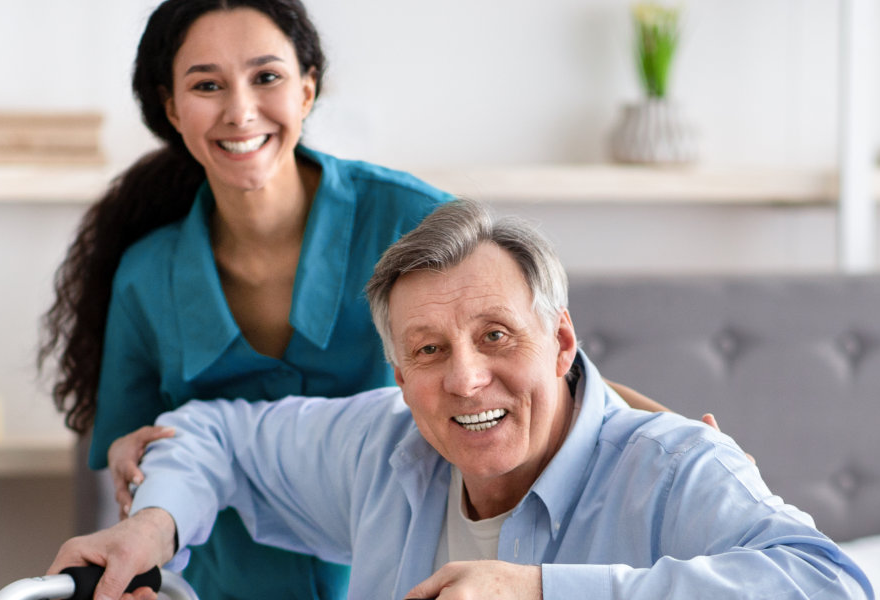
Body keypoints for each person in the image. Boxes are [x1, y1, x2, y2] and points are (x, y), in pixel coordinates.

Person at [39, 2, 678, 599]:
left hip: (405, 565)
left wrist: (670, 435)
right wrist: (133, 453)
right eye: (207, 86)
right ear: (172, 108)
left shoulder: (411, 219)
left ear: (307, 89)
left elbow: (532, 362)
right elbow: (139, 435)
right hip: (222, 575)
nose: (240, 111)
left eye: (266, 77)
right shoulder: (146, 275)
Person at [47, 199, 872, 600]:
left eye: (498, 337)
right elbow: (214, 436)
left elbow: (833, 587)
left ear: (561, 341)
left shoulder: (669, 467)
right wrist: (151, 527)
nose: (466, 379)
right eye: (430, 352)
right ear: (400, 377)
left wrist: (541, 592)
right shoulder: (384, 444)